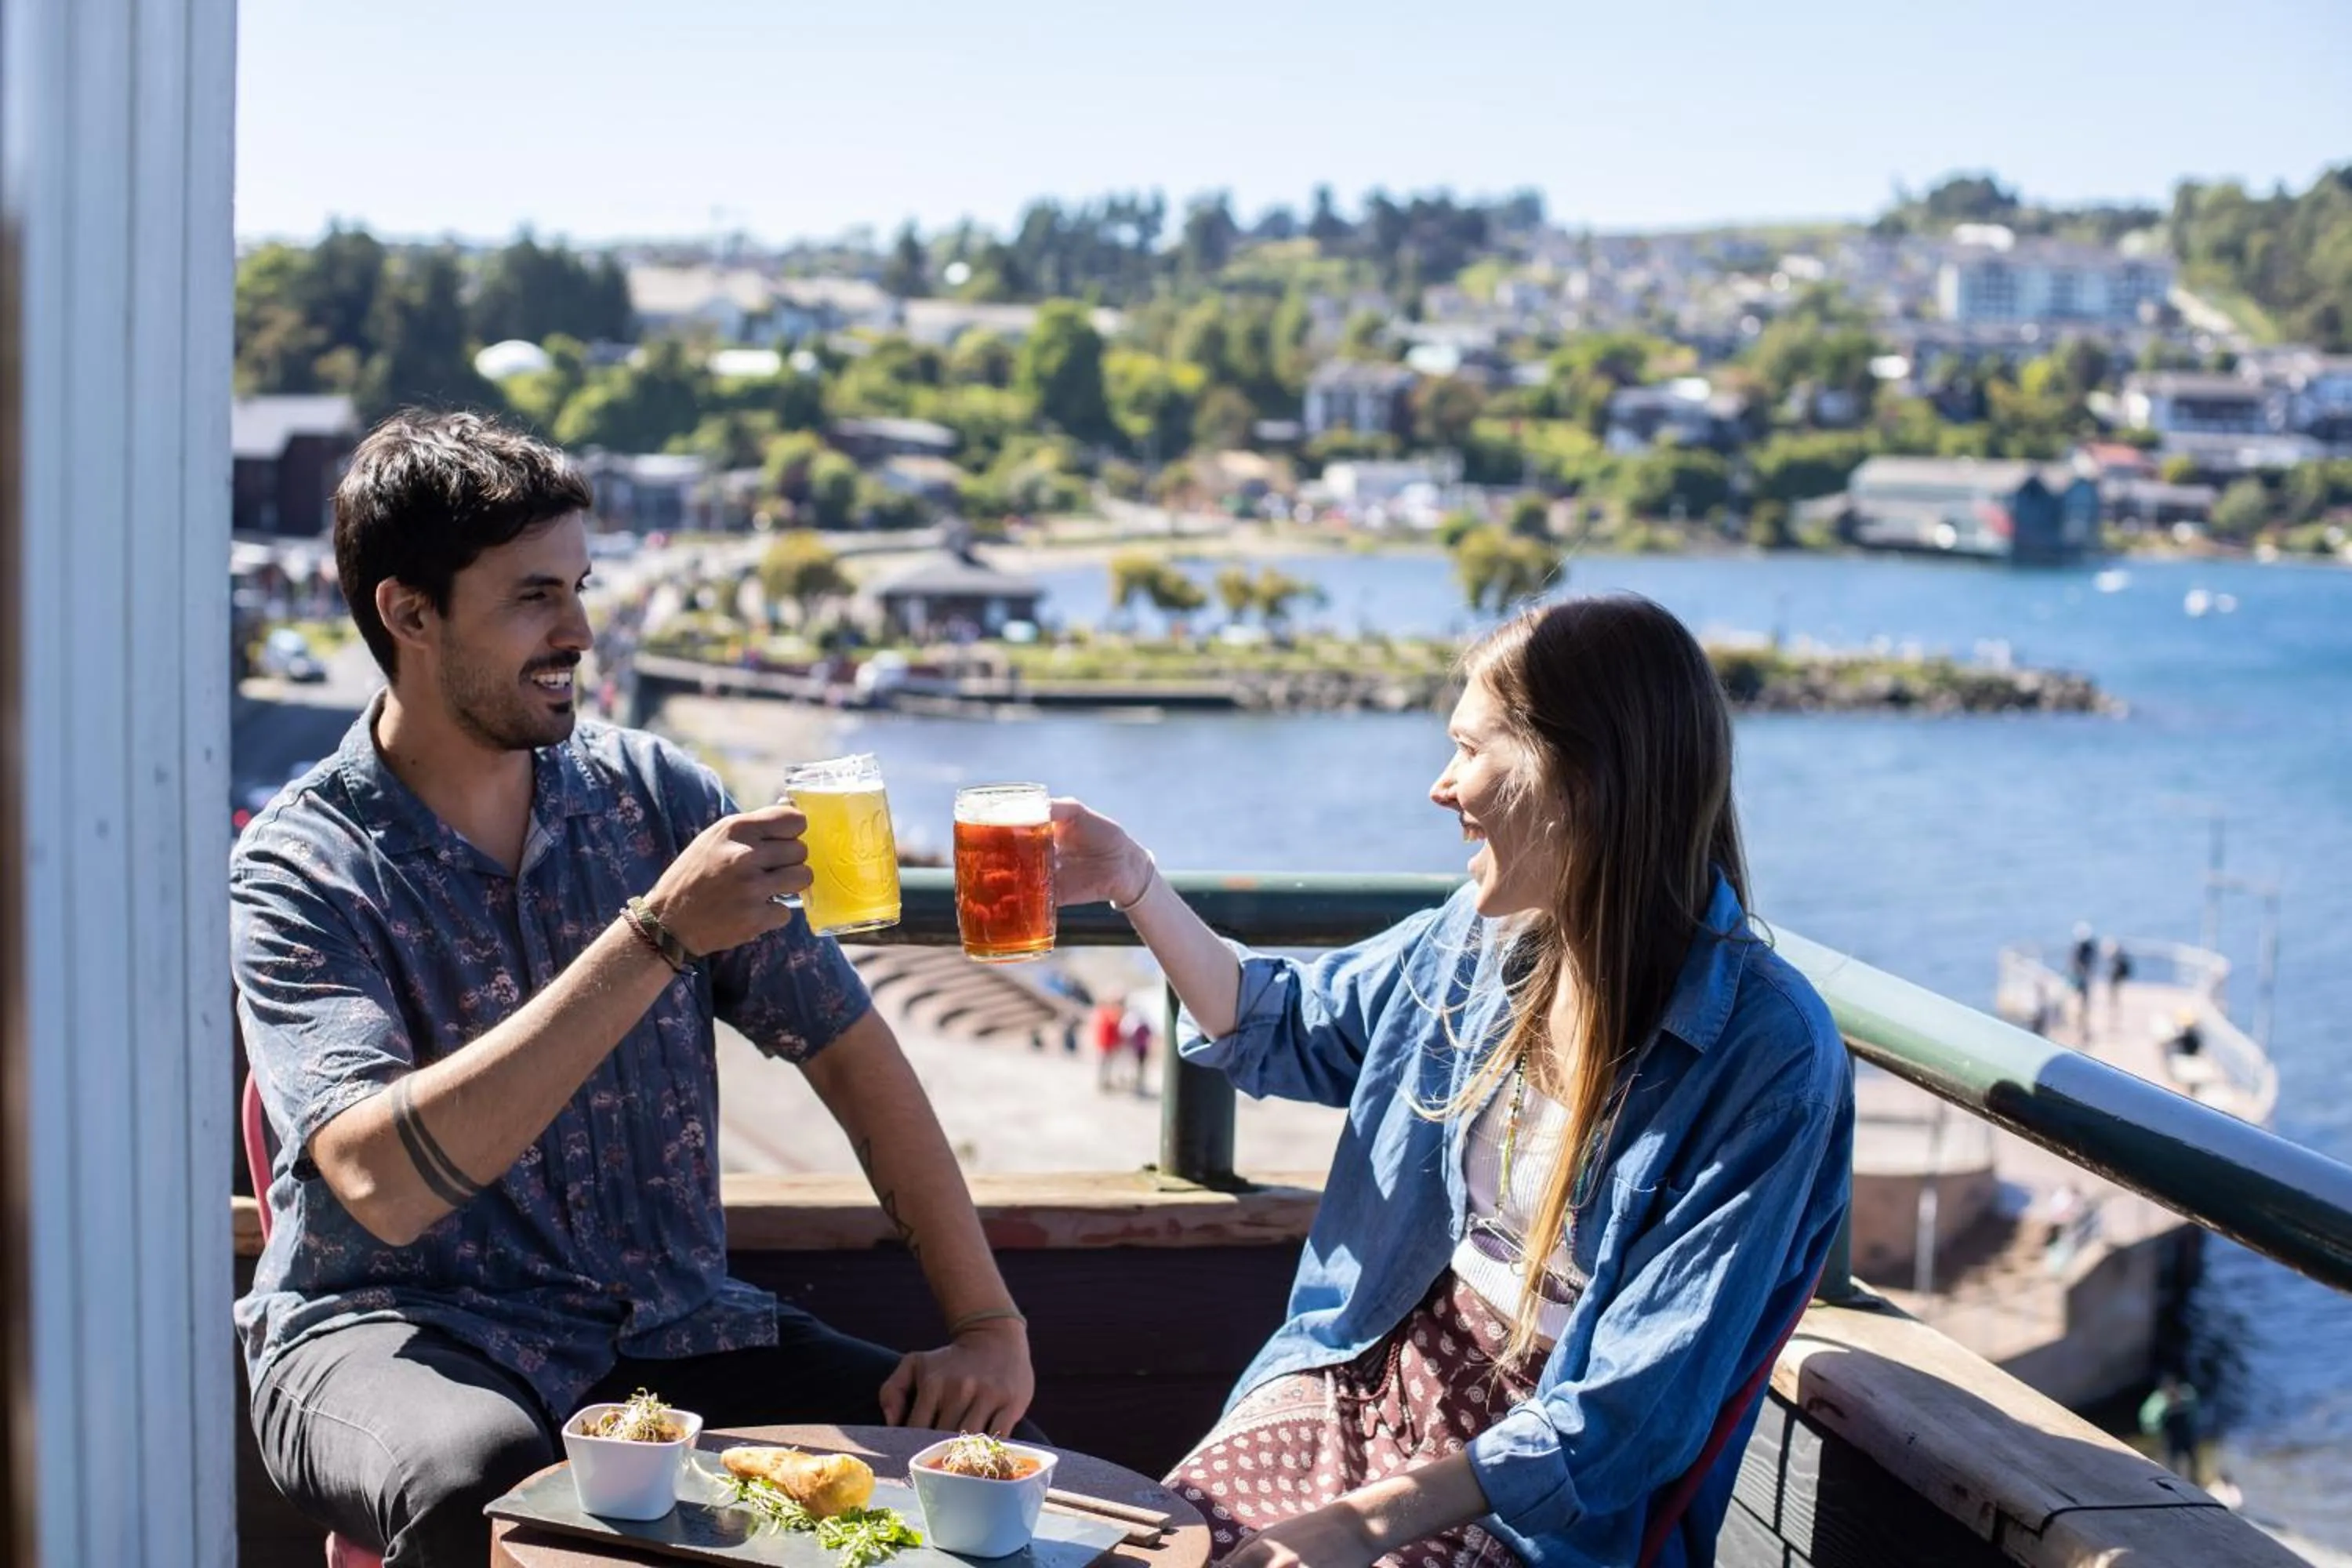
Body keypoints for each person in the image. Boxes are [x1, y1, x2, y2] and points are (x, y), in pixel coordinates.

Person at [234, 412, 1036, 1567]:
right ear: (409, 613)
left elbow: (850, 1048)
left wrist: (986, 1327)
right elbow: (380, 1185)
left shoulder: (653, 795)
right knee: (490, 1488)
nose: (580, 631)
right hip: (394, 1336)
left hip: (670, 1332)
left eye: (580, 587)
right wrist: (656, 937)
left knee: (976, 1478)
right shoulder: (300, 866)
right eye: (532, 599)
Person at [1051, 595, 1854, 1568]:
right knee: (1150, 1559)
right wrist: (1135, 879)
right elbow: (1282, 1024)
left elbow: (1631, 1414)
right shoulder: (1476, 939)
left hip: (1529, 1487)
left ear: (1580, 779)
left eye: (1469, 749)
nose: (1441, 786)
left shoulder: (1769, 1056)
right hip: (1367, 1368)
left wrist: (1357, 1523)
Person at [2139, 1374, 2202, 1479]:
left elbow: (2195, 1408)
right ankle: (2174, 1479)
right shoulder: (2158, 1403)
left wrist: (2194, 1423)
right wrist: (2155, 1432)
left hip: (2186, 1432)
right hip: (2171, 1435)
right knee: (2172, 1460)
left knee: (2192, 1459)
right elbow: (2148, 1419)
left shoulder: (2187, 1394)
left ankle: (2194, 1479)